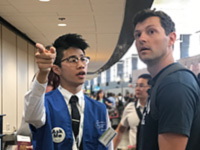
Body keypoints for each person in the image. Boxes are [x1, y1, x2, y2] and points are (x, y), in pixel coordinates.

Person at [24, 33, 113, 150]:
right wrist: (43, 72)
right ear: (56, 69)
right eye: (73, 60)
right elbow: (32, 117)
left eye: (83, 59)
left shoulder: (100, 109)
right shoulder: (46, 104)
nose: (81, 65)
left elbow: (108, 144)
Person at [133, 9, 200, 150]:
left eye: (151, 32)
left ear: (171, 38)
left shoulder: (175, 85)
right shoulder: (161, 82)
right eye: (137, 34)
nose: (141, 39)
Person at [113, 74, 151, 150]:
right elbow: (120, 130)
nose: (137, 88)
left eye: (141, 86)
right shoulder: (130, 107)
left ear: (151, 88)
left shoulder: (157, 108)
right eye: (136, 85)